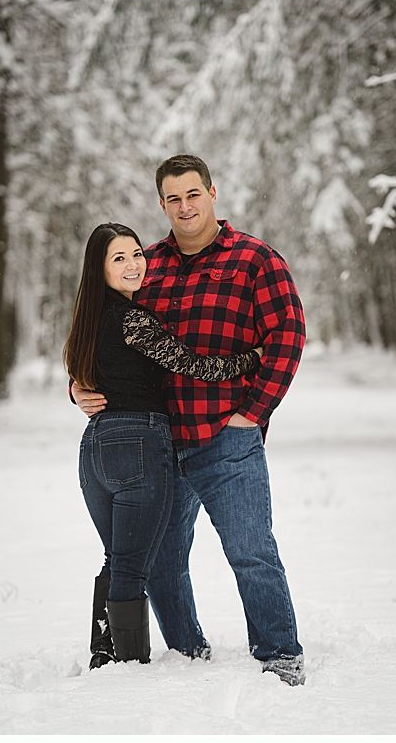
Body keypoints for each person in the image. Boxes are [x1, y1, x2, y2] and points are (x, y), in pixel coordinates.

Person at [71, 155, 308, 686]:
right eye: (173, 199)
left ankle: (279, 651)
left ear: (212, 193)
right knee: (162, 561)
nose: (184, 207)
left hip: (227, 438)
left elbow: (287, 337)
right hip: (157, 445)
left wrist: (253, 412)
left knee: (251, 551)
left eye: (193, 194)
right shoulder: (146, 265)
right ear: (162, 204)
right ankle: (185, 650)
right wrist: (79, 386)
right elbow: (106, 335)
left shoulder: (255, 260)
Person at [64, 222, 262, 667]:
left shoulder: (88, 320)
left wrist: (75, 392)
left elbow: (88, 377)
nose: (134, 264)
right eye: (119, 258)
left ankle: (104, 652)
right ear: (99, 269)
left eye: (137, 253)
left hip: (94, 447)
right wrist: (253, 358)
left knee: (118, 556)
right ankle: (126, 664)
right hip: (137, 440)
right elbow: (191, 365)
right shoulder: (132, 318)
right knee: (134, 566)